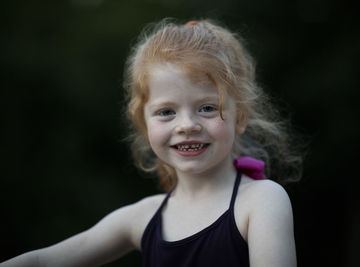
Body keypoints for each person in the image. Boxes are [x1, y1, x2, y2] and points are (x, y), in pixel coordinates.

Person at [1, 19, 303, 267]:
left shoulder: (261, 201)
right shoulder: (143, 217)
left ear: (240, 117)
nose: (187, 125)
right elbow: (42, 261)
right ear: (145, 125)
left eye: (208, 108)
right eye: (166, 112)